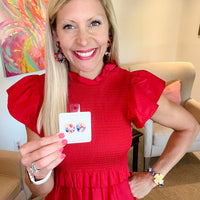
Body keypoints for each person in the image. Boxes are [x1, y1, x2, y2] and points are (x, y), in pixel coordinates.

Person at [7, 0, 199, 199]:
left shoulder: (131, 87)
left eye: (94, 23)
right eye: (69, 26)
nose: (83, 40)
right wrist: (39, 173)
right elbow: (41, 190)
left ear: (109, 30)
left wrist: (154, 177)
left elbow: (189, 127)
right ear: (56, 36)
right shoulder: (39, 93)